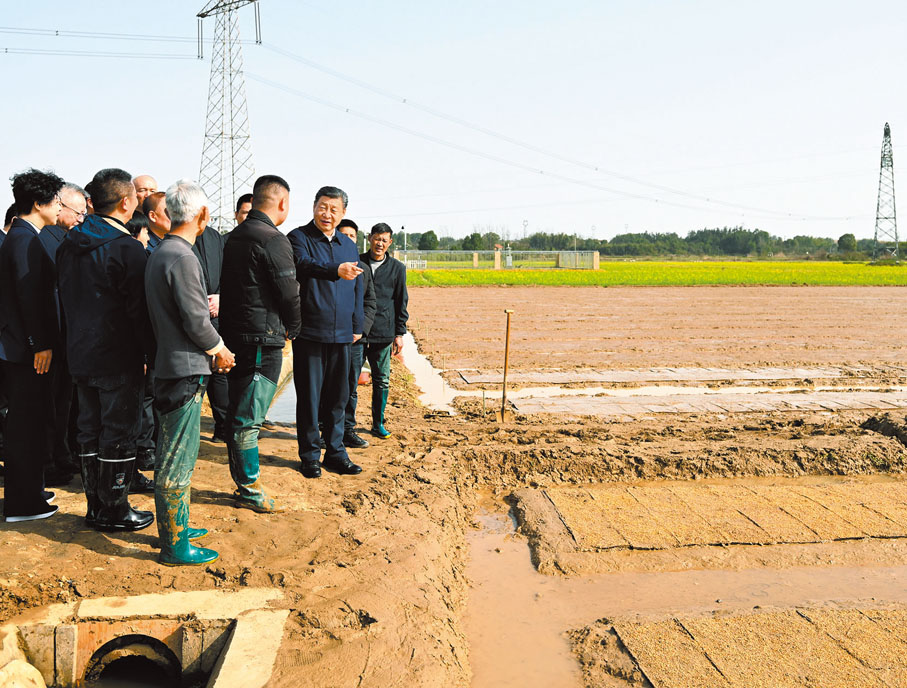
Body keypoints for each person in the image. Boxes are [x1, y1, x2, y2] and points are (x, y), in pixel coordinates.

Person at [57, 167, 154, 532]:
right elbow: (138, 312)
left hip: (80, 351)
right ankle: (115, 508)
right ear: (128, 202)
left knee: (88, 429)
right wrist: (148, 355)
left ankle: (95, 505)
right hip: (117, 355)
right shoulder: (128, 248)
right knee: (118, 432)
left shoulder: (70, 242)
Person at [146, 179, 235, 565]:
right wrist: (220, 349)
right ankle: (174, 544)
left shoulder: (165, 250)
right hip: (183, 368)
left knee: (173, 452)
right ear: (202, 215)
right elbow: (197, 320)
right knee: (176, 459)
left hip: (170, 364)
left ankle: (176, 526)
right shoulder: (183, 257)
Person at [220, 174, 301, 512]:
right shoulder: (272, 238)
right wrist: (293, 327)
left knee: (240, 412)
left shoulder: (236, 235)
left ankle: (243, 483)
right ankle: (250, 488)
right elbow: (289, 291)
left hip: (236, 335)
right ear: (282, 203)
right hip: (261, 339)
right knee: (247, 419)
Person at [287, 187, 364, 478]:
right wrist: (335, 269)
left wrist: (357, 325)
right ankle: (309, 456)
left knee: (339, 397)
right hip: (310, 332)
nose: (327, 214)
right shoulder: (299, 238)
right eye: (323, 207)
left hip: (343, 334)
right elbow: (303, 265)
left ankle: (335, 452)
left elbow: (357, 288)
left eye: (334, 209)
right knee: (309, 397)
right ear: (314, 207)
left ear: (343, 213)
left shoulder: (349, 244)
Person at [0, 169, 62, 522]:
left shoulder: (25, 235)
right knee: (26, 425)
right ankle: (23, 503)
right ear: (38, 203)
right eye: (55, 201)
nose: (58, 208)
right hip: (25, 351)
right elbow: (28, 298)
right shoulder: (24, 240)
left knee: (33, 422)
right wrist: (40, 343)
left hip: (23, 347)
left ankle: (31, 489)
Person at [38, 182, 88, 487]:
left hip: (67, 336)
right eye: (77, 212)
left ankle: (61, 453)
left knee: (65, 403)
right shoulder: (47, 239)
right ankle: (49, 460)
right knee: (51, 403)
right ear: (61, 205)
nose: (81, 219)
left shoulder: (66, 238)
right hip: (51, 337)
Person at [360, 223, 409, 439]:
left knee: (382, 380)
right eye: (376, 238)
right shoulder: (357, 262)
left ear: (390, 243)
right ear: (369, 238)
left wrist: (399, 333)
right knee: (348, 380)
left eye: (384, 240)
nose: (379, 243)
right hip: (357, 332)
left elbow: (401, 302)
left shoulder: (397, 269)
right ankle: (345, 425)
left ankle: (377, 423)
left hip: (383, 332)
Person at [335, 219, 376, 448]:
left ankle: (347, 429)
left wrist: (359, 330)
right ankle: (325, 429)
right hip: (331, 336)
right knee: (328, 385)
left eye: (352, 236)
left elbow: (370, 302)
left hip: (355, 340)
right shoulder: (328, 267)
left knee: (350, 386)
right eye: (344, 235)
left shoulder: (364, 269)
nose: (348, 239)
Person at [191, 218, 229, 442]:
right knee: (195, 378)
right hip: (192, 317)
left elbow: (229, 272)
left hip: (216, 316)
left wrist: (221, 298)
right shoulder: (176, 237)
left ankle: (223, 426)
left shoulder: (216, 237)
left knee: (219, 374)